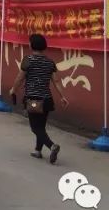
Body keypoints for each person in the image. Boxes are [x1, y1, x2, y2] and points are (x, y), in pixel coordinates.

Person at [9, 33, 69, 163]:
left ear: (32, 45)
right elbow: (56, 81)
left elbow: (20, 77)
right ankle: (37, 150)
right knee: (41, 125)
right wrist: (62, 96)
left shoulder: (28, 60)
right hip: (47, 99)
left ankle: (52, 146)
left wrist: (14, 89)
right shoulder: (50, 62)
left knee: (35, 127)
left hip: (33, 99)